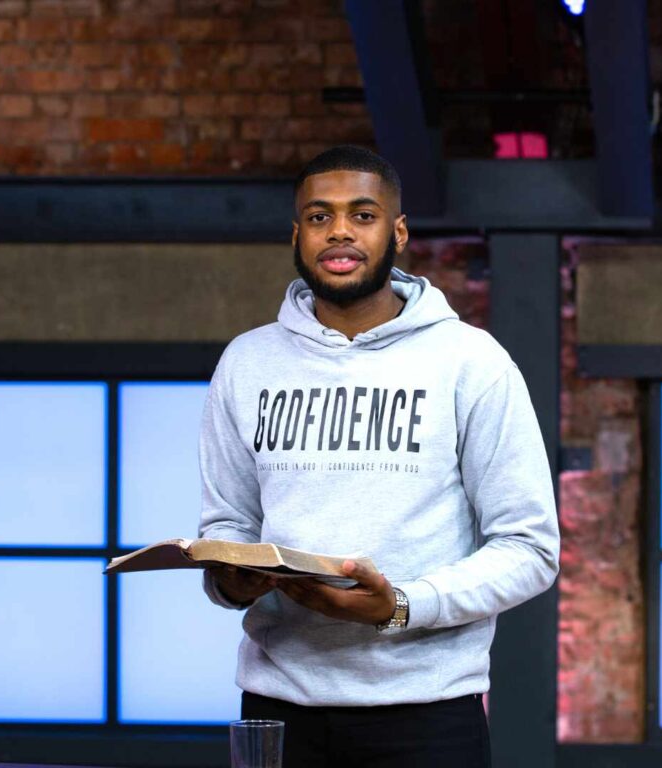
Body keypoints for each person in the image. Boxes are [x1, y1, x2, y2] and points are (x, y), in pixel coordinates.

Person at [198, 145, 560, 767]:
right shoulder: (247, 361)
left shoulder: (471, 362)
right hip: (278, 705)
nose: (339, 231)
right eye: (319, 216)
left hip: (427, 713)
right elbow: (228, 524)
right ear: (297, 235)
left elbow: (530, 548)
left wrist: (401, 606)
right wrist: (231, 578)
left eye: (362, 215)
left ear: (398, 233)